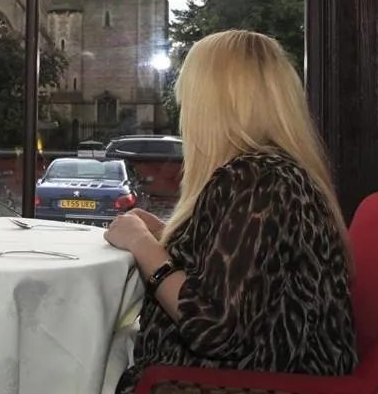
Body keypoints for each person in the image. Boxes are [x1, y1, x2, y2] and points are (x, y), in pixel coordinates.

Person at [107, 30, 357, 393]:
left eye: (190, 99)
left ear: (214, 105)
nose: (185, 113)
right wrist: (161, 234)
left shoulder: (258, 180)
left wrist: (143, 246)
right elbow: (240, 266)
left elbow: (213, 327)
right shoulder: (274, 172)